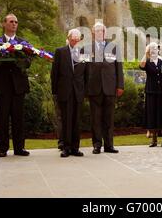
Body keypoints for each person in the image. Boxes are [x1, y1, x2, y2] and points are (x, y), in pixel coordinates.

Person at [0, 14, 30, 157]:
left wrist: (20, 60)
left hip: (19, 86)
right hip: (2, 86)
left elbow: (29, 62)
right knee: (3, 118)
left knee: (19, 118)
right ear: (4, 24)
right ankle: (2, 148)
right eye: (11, 22)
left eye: (16, 22)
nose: (14, 24)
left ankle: (19, 148)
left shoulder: (23, 43)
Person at [86, 22, 124, 154]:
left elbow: (119, 67)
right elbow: (84, 70)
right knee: (95, 119)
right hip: (94, 88)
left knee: (109, 118)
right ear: (92, 33)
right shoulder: (86, 48)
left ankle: (109, 145)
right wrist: (85, 88)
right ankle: (97, 145)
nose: (99, 33)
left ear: (104, 33)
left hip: (110, 87)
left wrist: (120, 85)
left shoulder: (114, 47)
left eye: (101, 31)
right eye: (96, 31)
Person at [51, 29, 86, 157]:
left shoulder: (83, 53)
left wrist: (85, 91)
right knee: (66, 120)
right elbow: (54, 73)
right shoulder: (60, 52)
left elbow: (86, 74)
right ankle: (66, 147)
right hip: (64, 91)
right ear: (68, 38)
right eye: (73, 38)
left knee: (76, 121)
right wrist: (54, 91)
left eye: (78, 39)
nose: (75, 41)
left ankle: (75, 148)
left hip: (78, 91)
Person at [139, 42, 162, 147]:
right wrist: (146, 52)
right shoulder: (148, 62)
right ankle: (153, 140)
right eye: (151, 49)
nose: (154, 50)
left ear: (158, 50)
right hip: (151, 92)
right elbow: (141, 65)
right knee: (152, 115)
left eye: (155, 49)